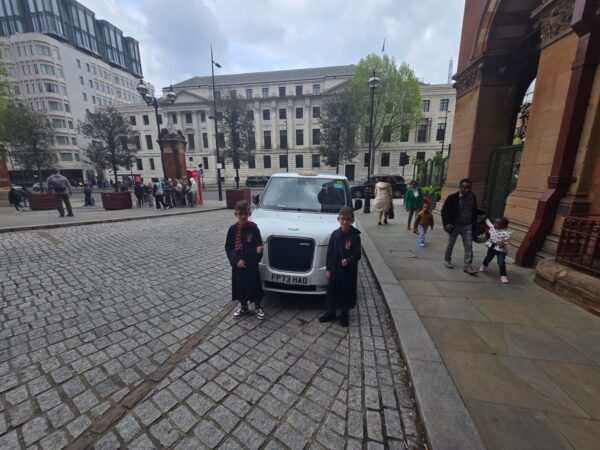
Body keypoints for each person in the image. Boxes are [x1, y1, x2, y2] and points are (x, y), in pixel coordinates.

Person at [319, 206, 362, 328]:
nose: (344, 222)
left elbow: (358, 254)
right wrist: (328, 268)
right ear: (338, 219)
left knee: (346, 291)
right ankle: (331, 311)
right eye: (342, 219)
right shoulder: (335, 234)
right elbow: (330, 253)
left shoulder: (355, 236)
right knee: (332, 290)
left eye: (347, 219)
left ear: (352, 221)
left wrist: (348, 260)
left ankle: (344, 313)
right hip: (335, 269)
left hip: (348, 271)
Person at [225, 200, 265, 320]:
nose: (243, 216)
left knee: (254, 284)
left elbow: (258, 244)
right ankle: (243, 306)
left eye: (245, 214)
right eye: (240, 214)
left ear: (249, 213)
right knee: (240, 285)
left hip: (251, 263)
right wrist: (236, 260)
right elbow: (229, 247)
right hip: (238, 264)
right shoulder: (232, 230)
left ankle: (258, 306)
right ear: (235, 214)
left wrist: (259, 250)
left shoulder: (254, 229)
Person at [441, 178, 478, 274]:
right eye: (465, 188)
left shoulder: (472, 197)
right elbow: (444, 211)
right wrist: (446, 224)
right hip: (455, 225)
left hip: (467, 225)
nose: (467, 190)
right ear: (460, 187)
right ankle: (447, 260)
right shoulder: (452, 197)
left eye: (469, 188)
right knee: (451, 243)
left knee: (469, 245)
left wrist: (474, 224)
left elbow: (474, 211)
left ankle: (468, 266)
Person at [480, 217, 512, 284]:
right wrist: (485, 218)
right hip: (492, 247)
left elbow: (508, 240)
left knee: (501, 262)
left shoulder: (507, 232)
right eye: (495, 222)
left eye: (497, 224)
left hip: (501, 249)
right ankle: (484, 265)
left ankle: (503, 276)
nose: (495, 224)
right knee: (488, 258)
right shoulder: (493, 228)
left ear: (503, 226)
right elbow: (488, 223)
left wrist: (503, 243)